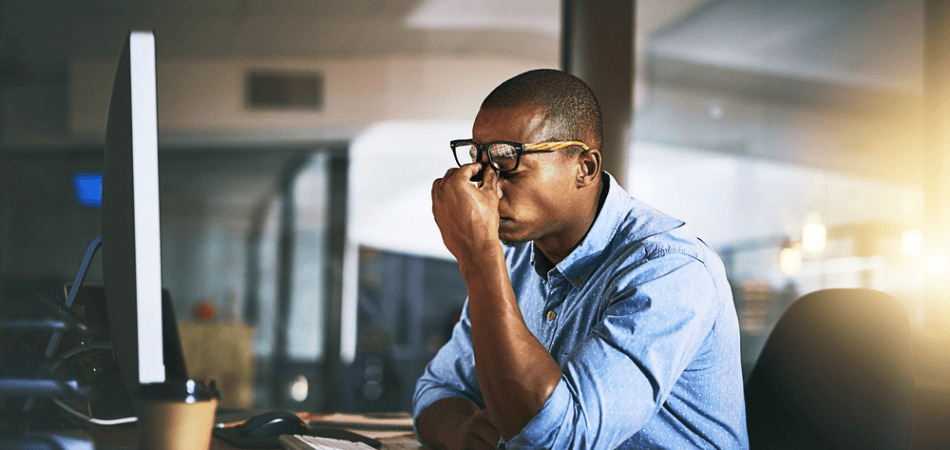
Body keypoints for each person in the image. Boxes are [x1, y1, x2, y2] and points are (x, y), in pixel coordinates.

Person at [414, 69, 748, 449]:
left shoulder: (671, 269)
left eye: (507, 161)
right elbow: (437, 389)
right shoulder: (514, 257)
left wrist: (478, 258)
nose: (484, 186)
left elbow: (561, 439)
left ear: (585, 168)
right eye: (479, 159)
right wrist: (462, 434)